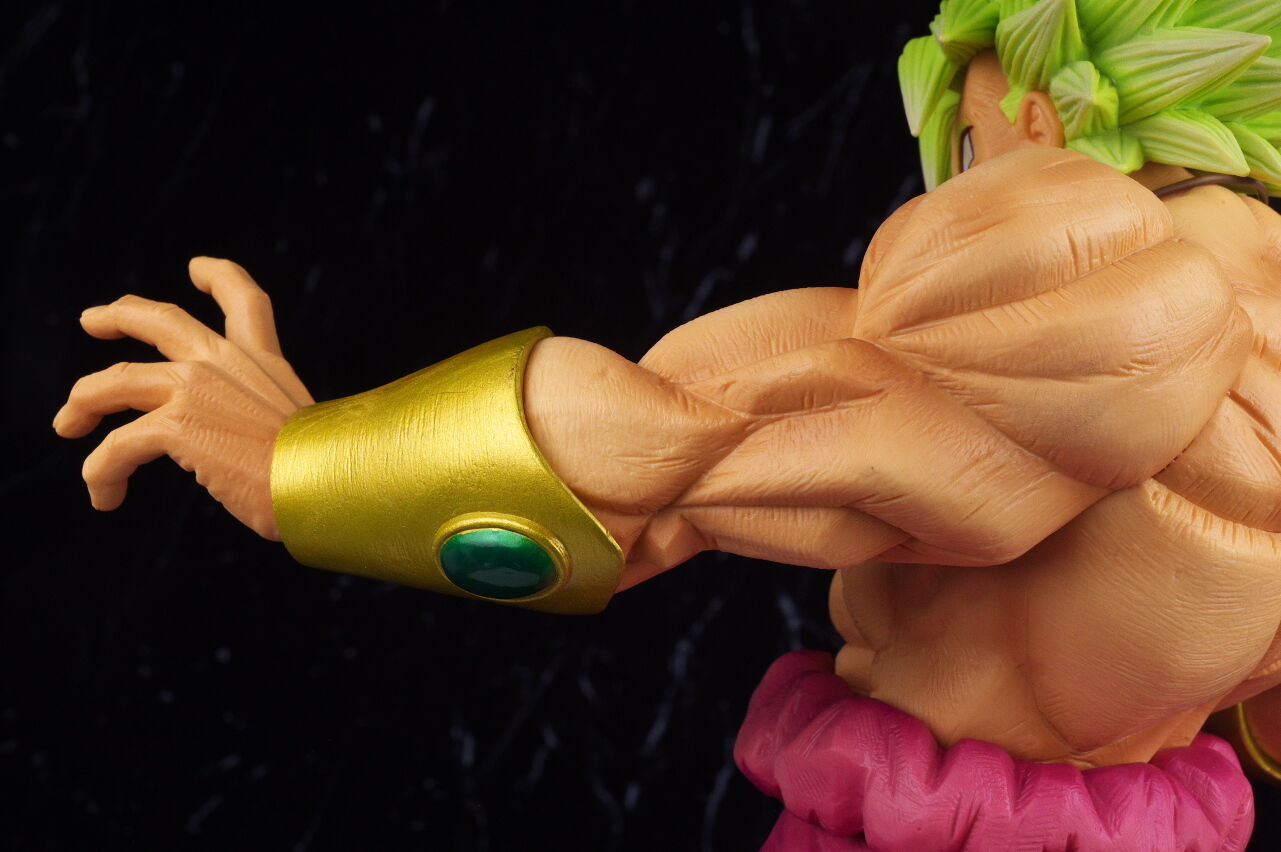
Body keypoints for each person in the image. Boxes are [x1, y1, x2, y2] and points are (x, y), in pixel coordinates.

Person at [54, 0, 1281, 848]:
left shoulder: (1108, 262)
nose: (961, 173)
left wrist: (306, 462)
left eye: (964, 133)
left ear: (1041, 113)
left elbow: (665, 453)